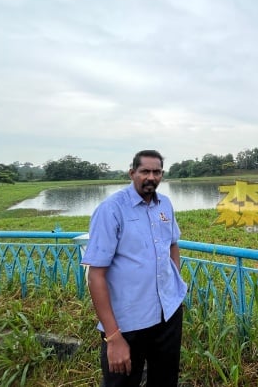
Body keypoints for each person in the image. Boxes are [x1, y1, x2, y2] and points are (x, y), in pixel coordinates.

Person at [82, 150, 187, 387]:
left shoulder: (165, 205)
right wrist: (113, 337)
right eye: (145, 171)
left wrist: (175, 286)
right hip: (127, 323)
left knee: (165, 380)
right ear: (132, 173)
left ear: (162, 174)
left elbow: (173, 244)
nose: (151, 177)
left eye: (156, 172)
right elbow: (95, 275)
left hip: (167, 315)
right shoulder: (111, 210)